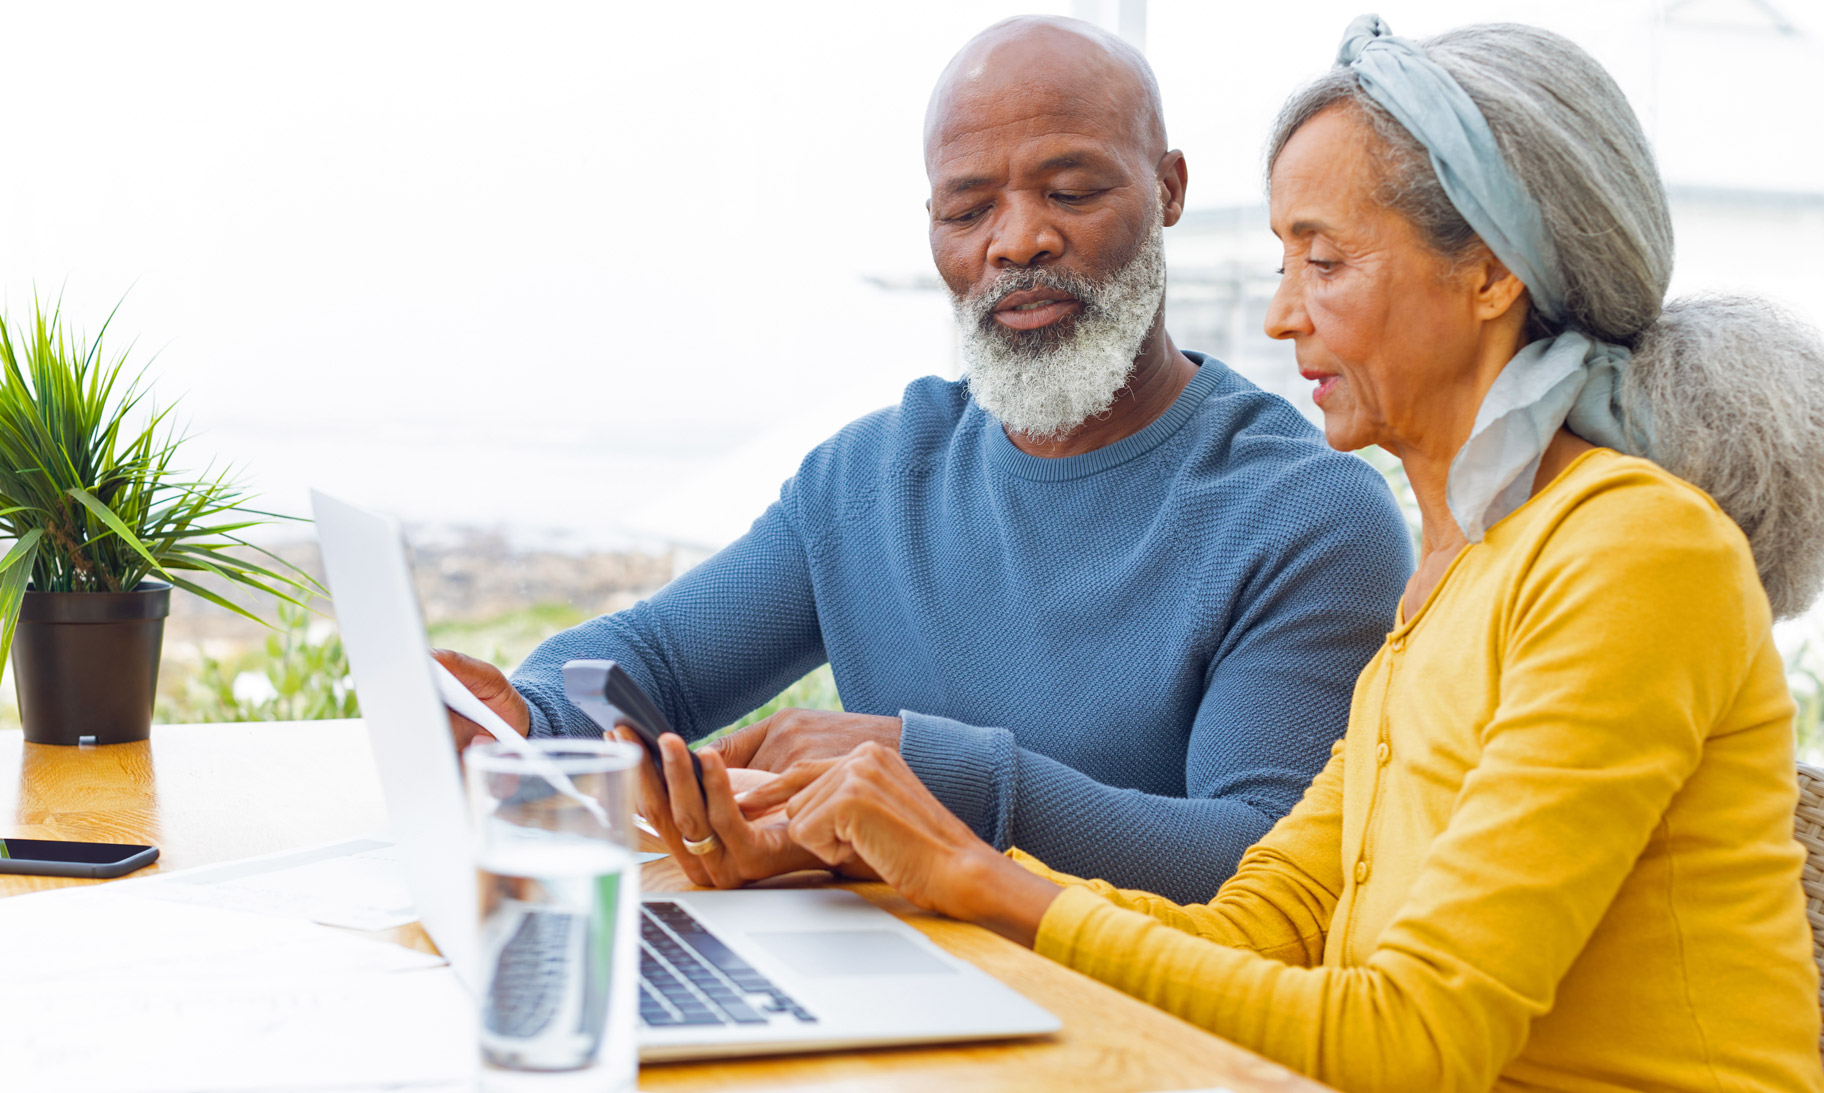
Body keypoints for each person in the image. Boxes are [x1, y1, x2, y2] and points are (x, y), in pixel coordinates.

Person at [724, 16, 1824, 1092]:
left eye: (1325, 260)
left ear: (1489, 276)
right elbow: (1263, 925)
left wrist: (976, 874)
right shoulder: (1455, 576)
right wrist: (940, 870)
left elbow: (1410, 1041)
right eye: (1282, 259)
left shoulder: (1634, 554)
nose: (1285, 314)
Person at [435, 16, 1413, 904]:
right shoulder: (873, 482)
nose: (1017, 240)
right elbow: (638, 664)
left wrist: (922, 775)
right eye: (967, 209)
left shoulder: (1308, 515)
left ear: (1168, 190)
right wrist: (525, 712)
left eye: (1070, 190)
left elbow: (1256, 861)